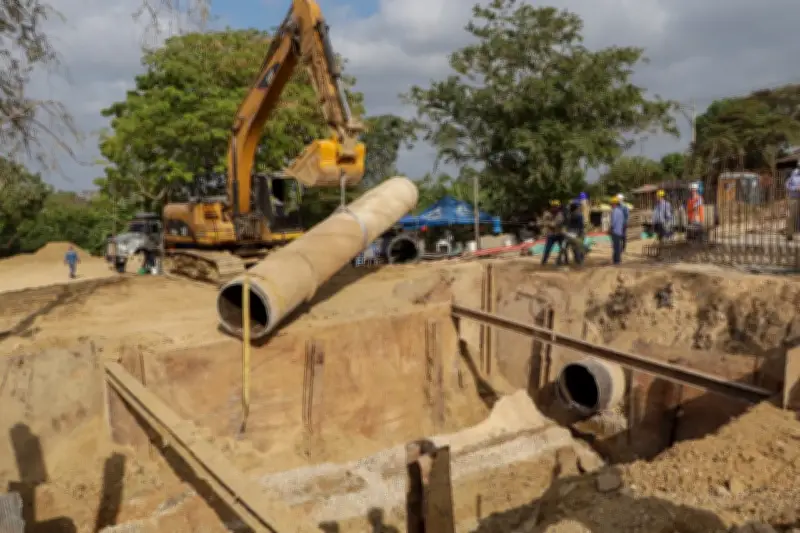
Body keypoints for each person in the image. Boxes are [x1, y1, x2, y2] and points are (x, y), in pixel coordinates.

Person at [540, 199, 566, 265]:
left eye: (556, 206)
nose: (554, 208)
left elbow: (556, 224)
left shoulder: (560, 214)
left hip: (560, 234)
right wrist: (547, 223)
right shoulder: (546, 214)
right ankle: (544, 262)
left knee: (563, 248)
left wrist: (548, 223)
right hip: (551, 235)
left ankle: (565, 261)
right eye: (553, 206)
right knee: (547, 249)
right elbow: (544, 222)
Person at [786, 162, 800, 241]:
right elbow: (787, 185)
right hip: (794, 198)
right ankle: (790, 234)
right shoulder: (794, 174)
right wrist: (795, 188)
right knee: (791, 216)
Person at [609, 197, 625, 265]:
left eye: (612, 204)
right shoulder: (620, 211)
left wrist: (610, 229)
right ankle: (617, 259)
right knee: (617, 246)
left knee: (616, 247)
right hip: (619, 231)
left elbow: (613, 222)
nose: (611, 205)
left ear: (614, 204)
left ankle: (616, 261)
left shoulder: (614, 211)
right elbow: (622, 222)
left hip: (615, 231)